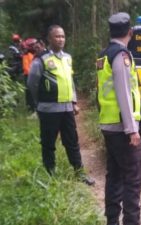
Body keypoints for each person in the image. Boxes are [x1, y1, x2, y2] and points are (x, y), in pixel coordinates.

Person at [27, 25, 94, 186]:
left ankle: (79, 173)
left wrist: (74, 101)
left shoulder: (67, 58)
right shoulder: (41, 60)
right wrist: (39, 103)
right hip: (49, 109)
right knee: (48, 143)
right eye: (57, 36)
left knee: (72, 141)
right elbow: (32, 83)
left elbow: (69, 81)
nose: (61, 39)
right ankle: (50, 174)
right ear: (49, 39)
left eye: (63, 36)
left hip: (66, 108)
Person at [96, 12, 141, 225]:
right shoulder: (121, 55)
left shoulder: (104, 54)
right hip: (122, 127)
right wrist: (132, 129)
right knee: (133, 179)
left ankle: (112, 221)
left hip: (109, 124)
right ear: (129, 32)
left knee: (114, 176)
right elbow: (124, 93)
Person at [22, 38, 37, 112]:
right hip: (28, 76)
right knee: (29, 93)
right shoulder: (26, 55)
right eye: (33, 45)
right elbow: (26, 68)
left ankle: (35, 107)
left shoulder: (35, 54)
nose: (35, 46)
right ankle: (31, 109)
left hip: (34, 75)